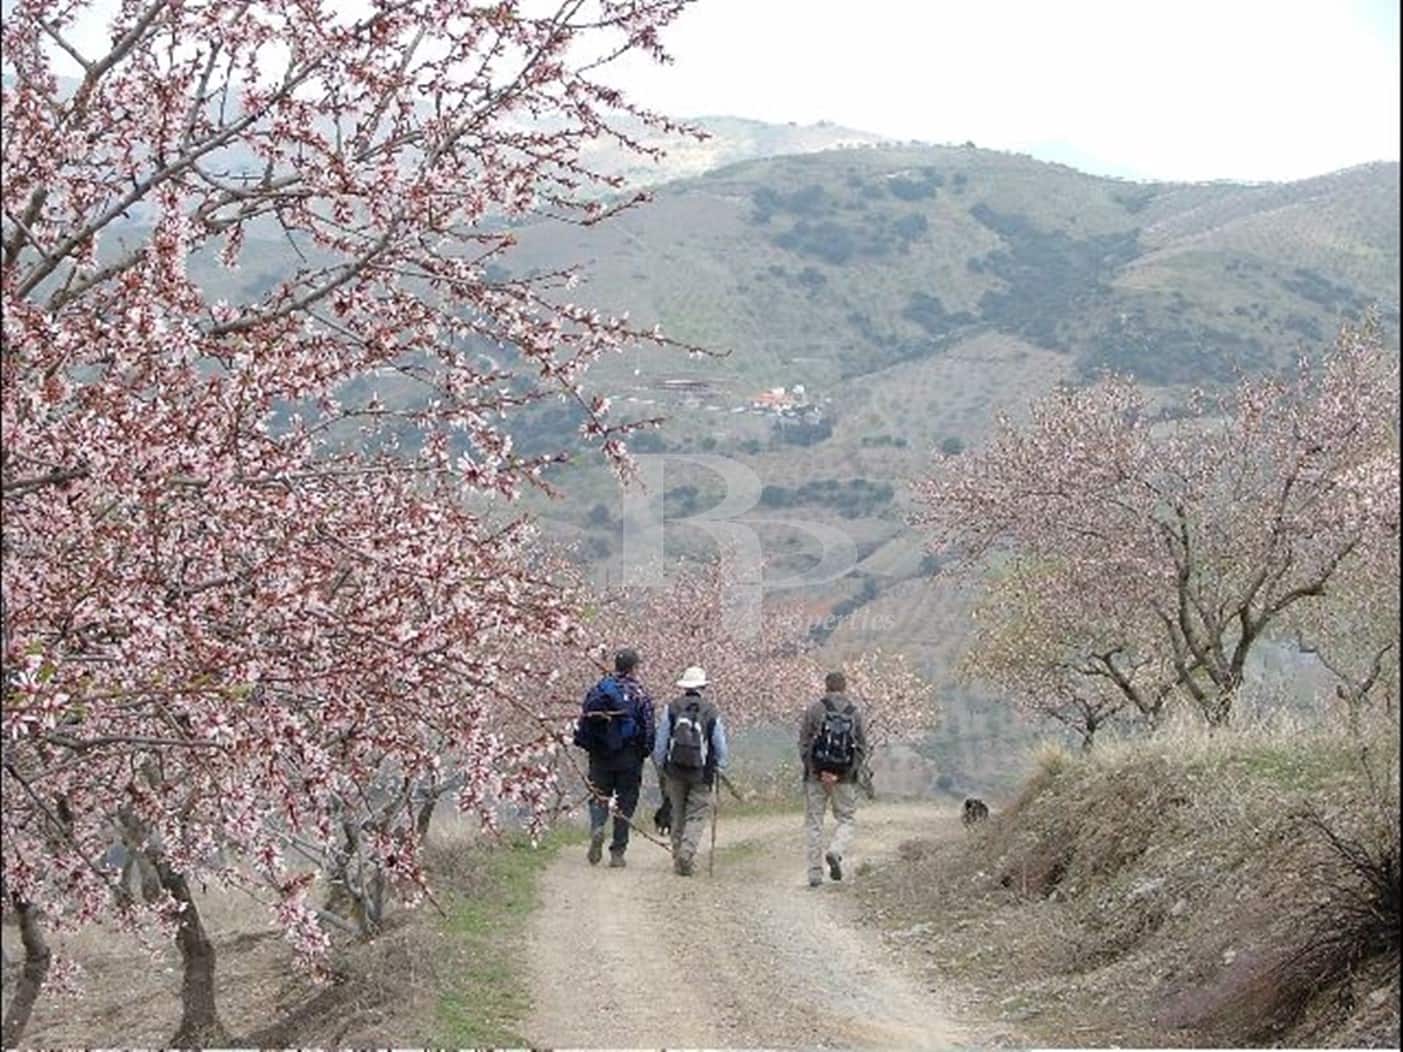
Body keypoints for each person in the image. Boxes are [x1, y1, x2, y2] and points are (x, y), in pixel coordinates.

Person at [574, 648, 655, 868]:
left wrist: (590, 746)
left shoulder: (599, 689)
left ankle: (598, 827)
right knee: (625, 802)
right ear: (634, 667)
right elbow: (648, 726)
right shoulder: (639, 692)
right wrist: (644, 751)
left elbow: (584, 721)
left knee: (599, 795)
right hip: (629, 756)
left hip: (600, 755)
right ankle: (618, 851)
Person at [652, 665, 729, 877]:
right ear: (703, 686)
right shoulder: (711, 711)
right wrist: (720, 765)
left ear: (684, 687)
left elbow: (661, 741)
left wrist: (661, 766)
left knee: (677, 814)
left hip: (674, 770)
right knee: (696, 815)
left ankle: (678, 858)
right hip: (701, 773)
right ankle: (687, 852)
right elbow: (719, 744)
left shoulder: (672, 708)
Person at [798, 670, 868, 887]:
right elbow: (861, 748)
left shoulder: (814, 709)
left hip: (815, 776)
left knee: (814, 823)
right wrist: (841, 773)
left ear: (825, 686)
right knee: (846, 818)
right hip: (845, 778)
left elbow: (803, 744)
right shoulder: (854, 712)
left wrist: (818, 771)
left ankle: (814, 874)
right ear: (844, 687)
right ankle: (836, 851)